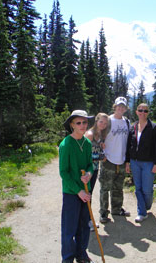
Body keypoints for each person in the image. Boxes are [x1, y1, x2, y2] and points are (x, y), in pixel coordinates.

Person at [59, 110, 95, 263]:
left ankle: (81, 254)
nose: (82, 125)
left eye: (84, 122)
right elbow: (64, 173)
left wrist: (89, 174)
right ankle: (67, 259)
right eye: (78, 123)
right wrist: (78, 191)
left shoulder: (87, 143)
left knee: (84, 225)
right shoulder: (66, 144)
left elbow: (90, 164)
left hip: (86, 191)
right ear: (72, 125)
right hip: (72, 192)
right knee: (69, 229)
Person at [126, 103, 156, 223]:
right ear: (136, 112)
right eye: (140, 110)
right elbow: (128, 146)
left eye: (145, 111)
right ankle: (141, 212)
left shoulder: (154, 128)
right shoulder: (133, 127)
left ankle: (146, 206)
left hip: (149, 163)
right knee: (138, 188)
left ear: (148, 113)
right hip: (134, 162)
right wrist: (127, 162)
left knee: (147, 190)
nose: (143, 113)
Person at [99, 96, 131, 223]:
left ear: (126, 108)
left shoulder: (127, 122)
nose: (121, 108)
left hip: (121, 160)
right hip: (109, 160)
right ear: (115, 106)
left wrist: (127, 160)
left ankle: (116, 209)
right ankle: (103, 213)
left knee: (118, 187)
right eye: (119, 106)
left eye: (123, 106)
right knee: (105, 188)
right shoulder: (108, 121)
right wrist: (103, 155)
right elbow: (99, 137)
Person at [84, 113, 110, 231]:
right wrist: (100, 157)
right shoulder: (89, 135)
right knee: (86, 194)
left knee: (88, 194)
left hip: (94, 169)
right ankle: (86, 221)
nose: (103, 125)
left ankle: (87, 219)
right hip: (87, 170)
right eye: (101, 122)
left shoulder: (100, 135)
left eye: (105, 123)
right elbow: (85, 155)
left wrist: (101, 148)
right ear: (96, 120)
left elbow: (96, 150)